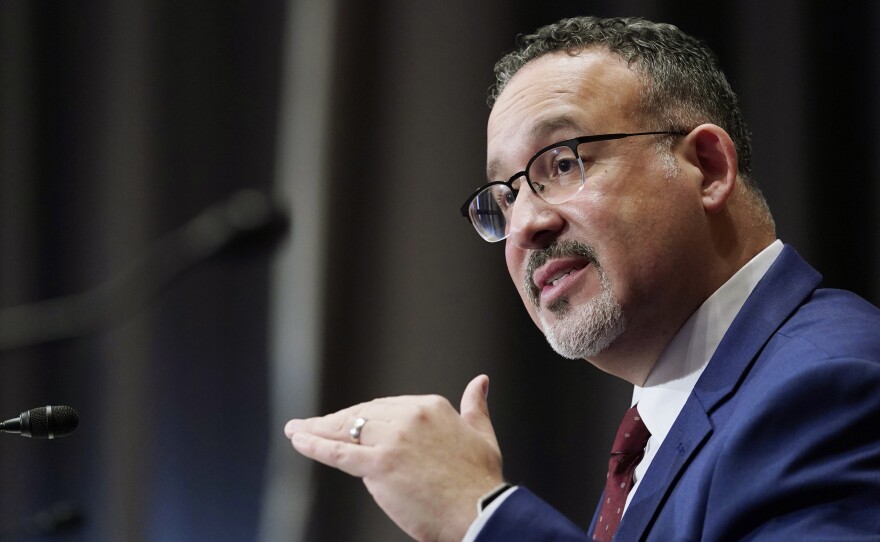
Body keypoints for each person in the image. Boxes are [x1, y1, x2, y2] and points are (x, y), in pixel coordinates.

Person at [285, 16, 880, 541]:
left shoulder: (832, 386)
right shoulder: (660, 428)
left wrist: (481, 517)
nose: (526, 225)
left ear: (707, 168)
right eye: (505, 197)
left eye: (564, 162)